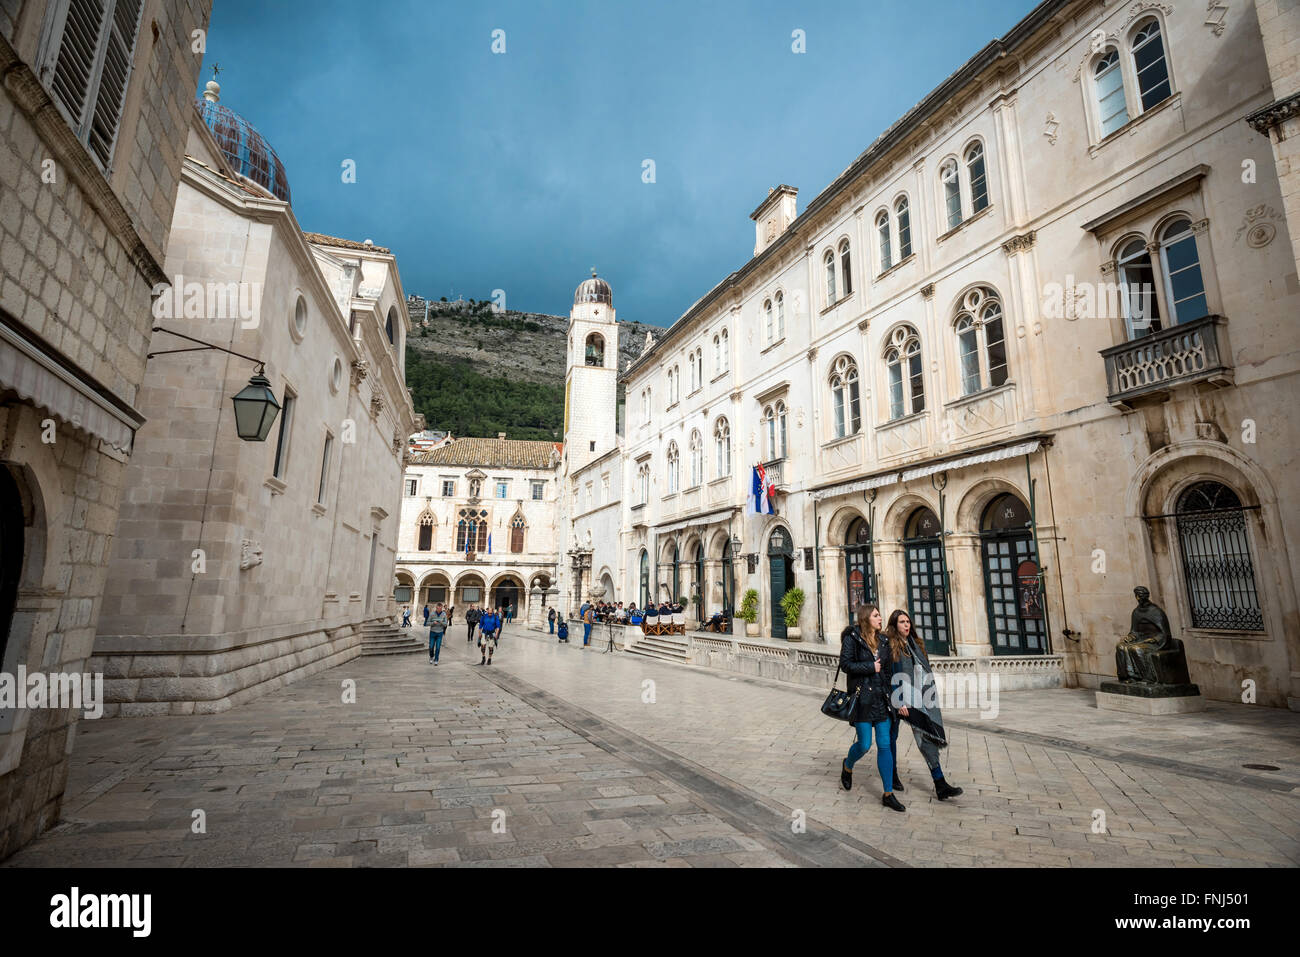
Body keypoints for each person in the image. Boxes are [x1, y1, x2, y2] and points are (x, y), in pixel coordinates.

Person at [884, 609, 962, 800]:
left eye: (908, 621)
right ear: (894, 625)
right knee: (890, 738)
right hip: (899, 700)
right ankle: (892, 775)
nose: (906, 625)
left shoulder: (915, 644)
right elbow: (889, 674)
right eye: (902, 622)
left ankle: (940, 783)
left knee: (925, 739)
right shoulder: (890, 645)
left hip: (919, 701)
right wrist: (898, 699)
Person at [839, 604, 902, 812]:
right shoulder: (853, 639)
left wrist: (894, 698)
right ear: (866, 618)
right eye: (876, 615)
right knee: (864, 744)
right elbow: (845, 664)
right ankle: (848, 765)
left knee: (884, 745)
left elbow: (887, 672)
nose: (880, 618)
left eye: (880, 614)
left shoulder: (884, 641)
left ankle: (888, 793)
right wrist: (869, 667)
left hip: (881, 700)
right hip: (862, 700)